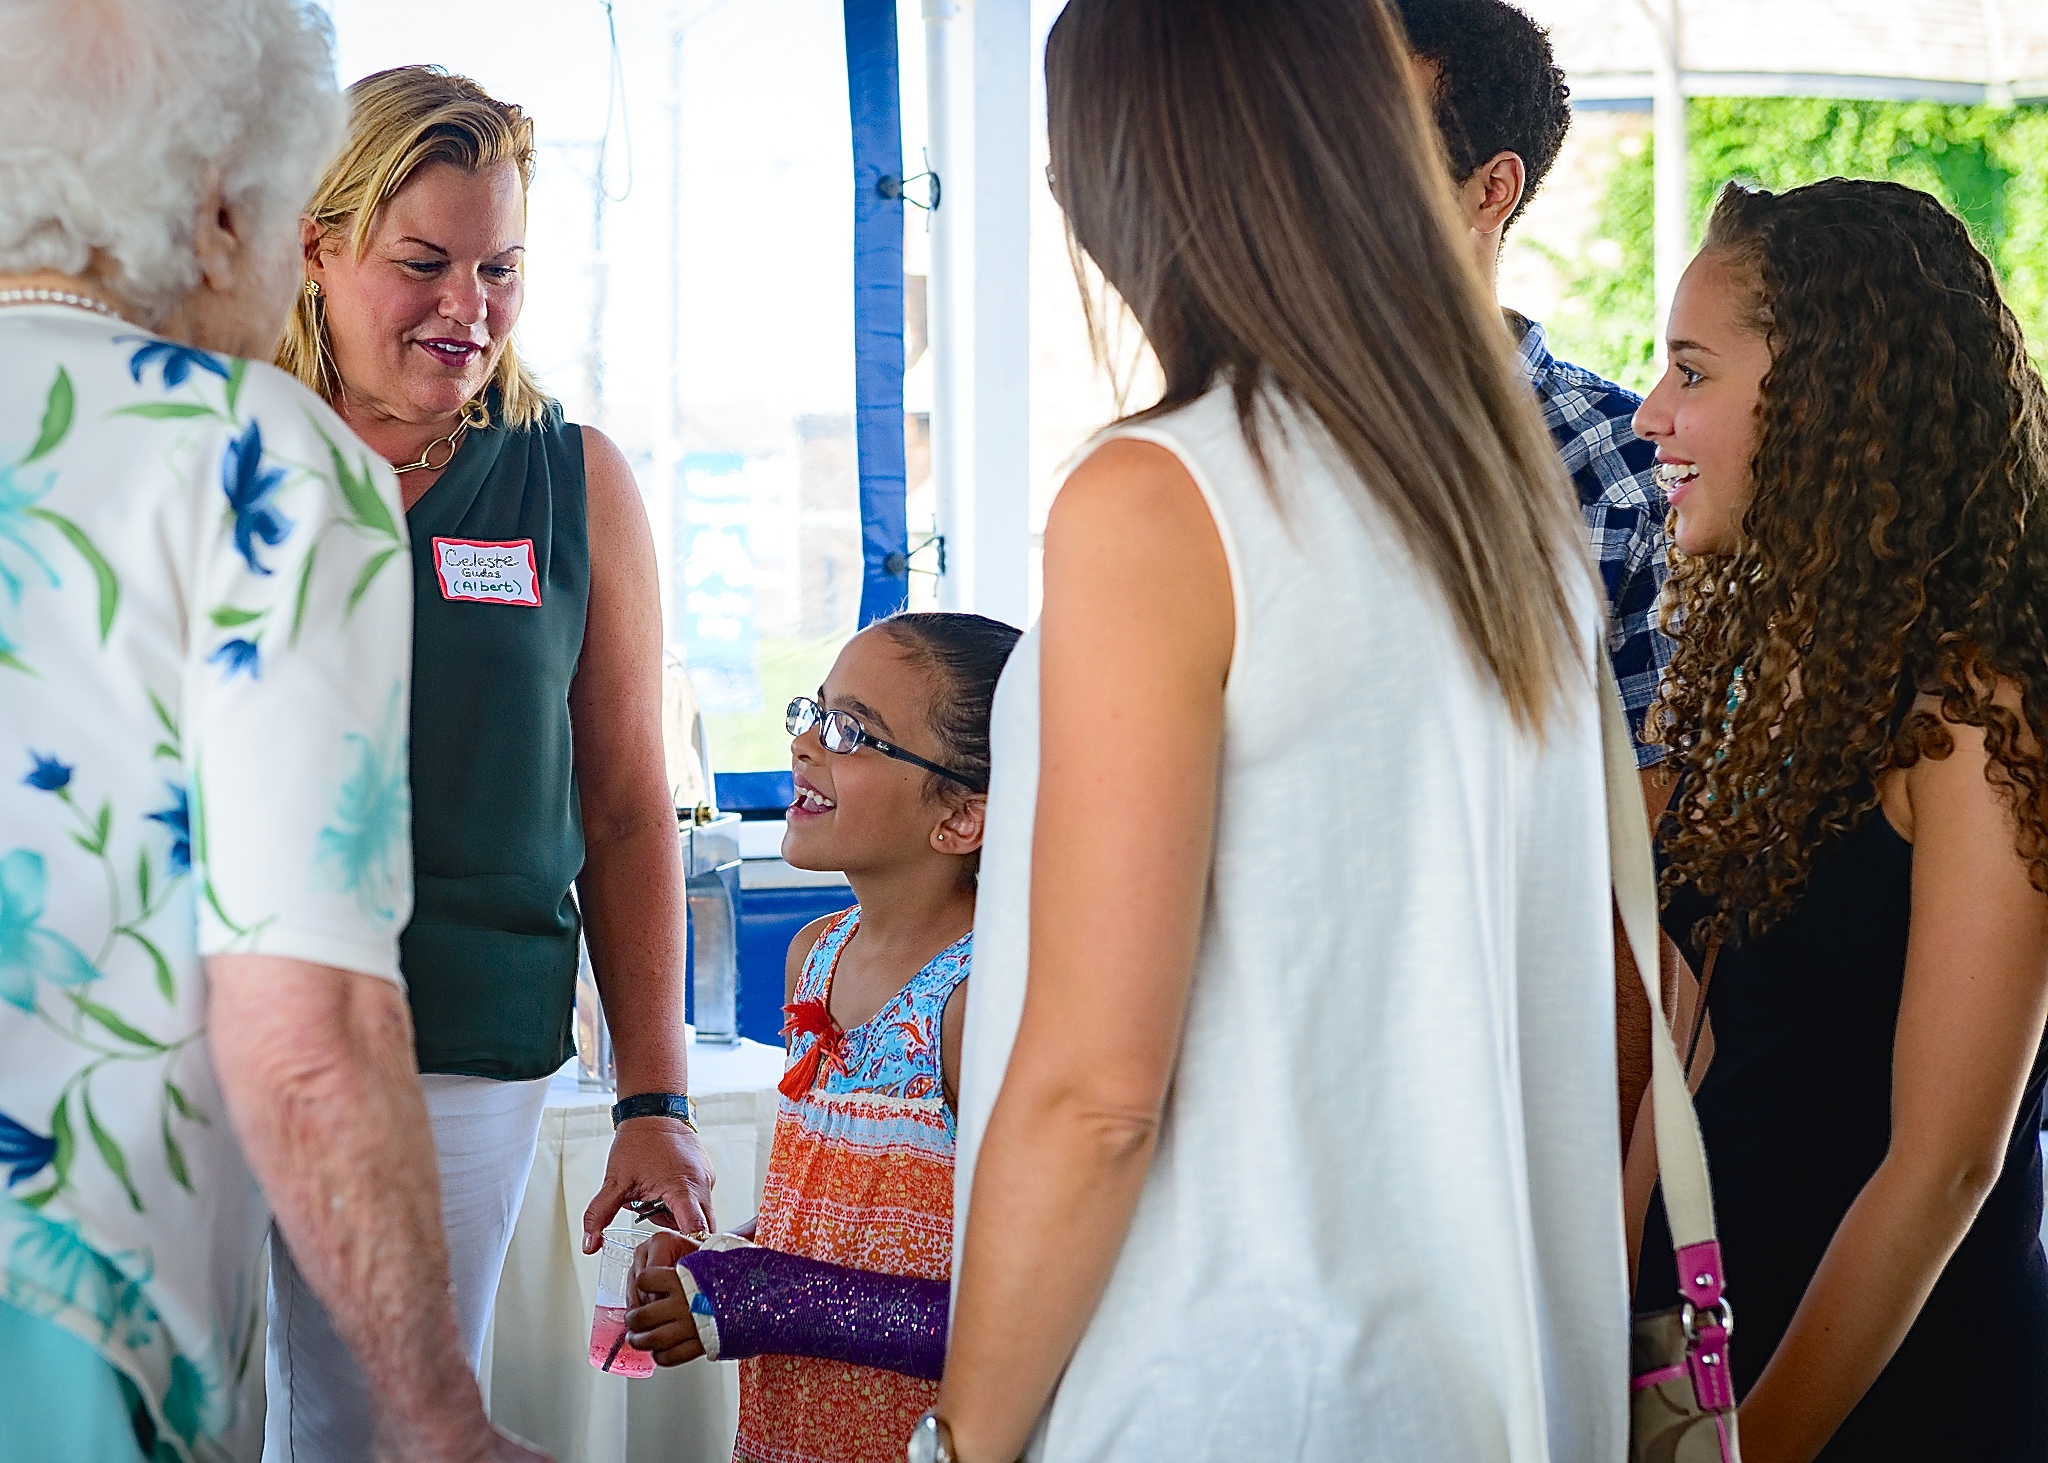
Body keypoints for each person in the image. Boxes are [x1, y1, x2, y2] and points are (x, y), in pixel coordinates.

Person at [936, 2, 1628, 1460]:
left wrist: (965, 1434)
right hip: (1480, 1378)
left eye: (1075, 166)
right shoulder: (1503, 497)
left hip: (1232, 1373)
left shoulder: (1165, 492)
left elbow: (1095, 1091)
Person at [0, 4, 545, 1461]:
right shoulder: (250, 451)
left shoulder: (551, 467)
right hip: (72, 1312)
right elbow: (303, 1023)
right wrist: (437, 1415)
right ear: (229, 206)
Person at [267, 66, 713, 1459]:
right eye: (423, 264)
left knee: (383, 1421)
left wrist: (656, 1093)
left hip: (463, 1036)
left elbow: (630, 809)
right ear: (317, 244)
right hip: (211, 1023)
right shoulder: (219, 447)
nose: (468, 307)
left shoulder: (567, 478)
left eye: (500, 268)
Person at [1630, 178, 2048, 1462]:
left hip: (1889, 1393)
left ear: (1827, 395)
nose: (1648, 414)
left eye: (1689, 370)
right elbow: (1684, 1054)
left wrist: (1761, 1442)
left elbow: (1942, 1170)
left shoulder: (1981, 711)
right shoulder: (1774, 663)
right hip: (1709, 1351)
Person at [627, 613, 1019, 1463]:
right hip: (785, 1434)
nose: (805, 743)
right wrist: (717, 1258)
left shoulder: (983, 997)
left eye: (852, 731)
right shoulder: (816, 956)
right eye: (813, 711)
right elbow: (832, 1224)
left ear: (961, 817)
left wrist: (772, 1300)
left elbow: (1025, 1312)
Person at [1395, 0, 1677, 1139]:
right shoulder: (1235, 458)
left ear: (1488, 190)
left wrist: (1594, 1220)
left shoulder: (1616, 471)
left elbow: (1645, 875)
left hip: (1507, 1100)